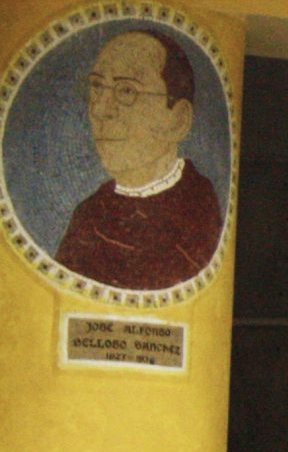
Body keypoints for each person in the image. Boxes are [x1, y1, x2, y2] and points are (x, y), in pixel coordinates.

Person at [53, 28, 223, 291]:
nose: (100, 109)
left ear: (178, 120)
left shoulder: (198, 211)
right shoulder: (89, 215)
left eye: (127, 91)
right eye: (97, 87)